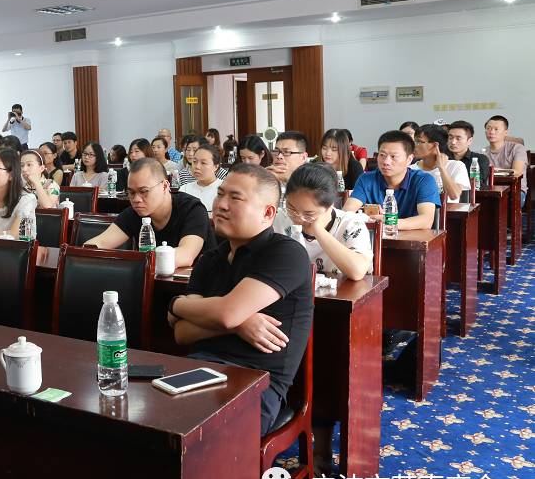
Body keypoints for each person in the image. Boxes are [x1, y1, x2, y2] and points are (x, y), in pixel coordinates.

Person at [167, 164, 313, 435]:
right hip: (198, 370)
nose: (221, 205)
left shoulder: (286, 253)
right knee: (143, 419)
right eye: (220, 194)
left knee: (196, 435)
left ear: (268, 213)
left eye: (235, 198)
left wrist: (176, 305)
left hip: (257, 384)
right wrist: (238, 326)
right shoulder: (210, 259)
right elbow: (182, 333)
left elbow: (227, 314)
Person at [85, 158, 214, 263]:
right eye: (131, 193)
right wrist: (81, 256)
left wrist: (136, 262)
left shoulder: (192, 209)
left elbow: (185, 256)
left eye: (144, 191)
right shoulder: (134, 213)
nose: (136, 199)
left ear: (165, 186)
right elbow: (101, 242)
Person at [274, 164, 373, 280]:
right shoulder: (280, 219)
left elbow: (357, 272)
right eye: (292, 208)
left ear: (330, 206)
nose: (298, 219)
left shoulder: (350, 224)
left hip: (339, 290)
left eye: (308, 214)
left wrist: (319, 231)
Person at [343, 131, 439, 229]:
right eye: (382, 155)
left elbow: (426, 221)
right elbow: (346, 213)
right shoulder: (366, 179)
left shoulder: (424, 180)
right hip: (376, 237)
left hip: (414, 238)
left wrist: (388, 221)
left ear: (409, 159)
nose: (386, 162)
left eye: (393, 157)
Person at [412, 124, 470, 203]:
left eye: (418, 142)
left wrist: (442, 168)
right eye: (414, 141)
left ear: (435, 145)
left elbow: (454, 195)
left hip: (449, 210)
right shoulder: (410, 169)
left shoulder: (456, 166)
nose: (414, 146)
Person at [484, 115, 528, 204]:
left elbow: (517, 171)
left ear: (505, 132)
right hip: (491, 190)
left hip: (515, 190)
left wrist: (494, 170)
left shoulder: (517, 148)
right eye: (488, 128)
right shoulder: (482, 153)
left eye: (496, 129)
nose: (491, 132)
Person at [179, 144, 223, 212]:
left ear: (216, 166)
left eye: (203, 163)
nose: (197, 167)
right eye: (194, 161)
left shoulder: (224, 189)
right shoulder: (184, 189)